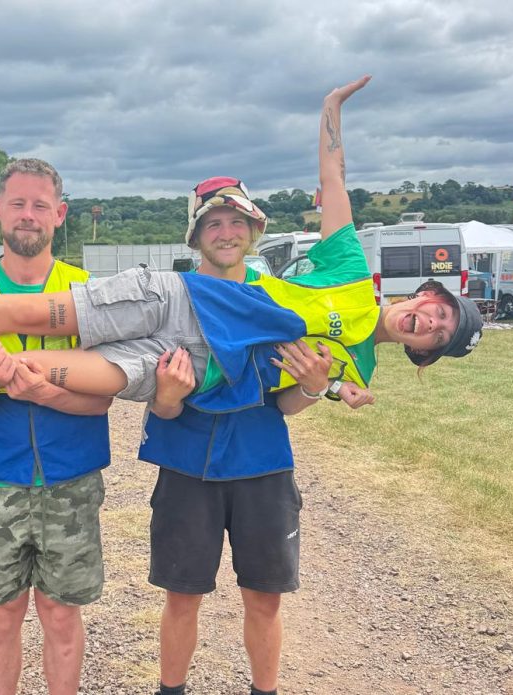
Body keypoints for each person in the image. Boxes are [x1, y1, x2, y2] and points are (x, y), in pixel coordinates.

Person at [0, 75, 483, 414]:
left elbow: (284, 400)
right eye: (438, 310)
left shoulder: (356, 373)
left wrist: (320, 392)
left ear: (425, 355)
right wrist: (332, 110)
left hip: (193, 363)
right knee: (31, 314)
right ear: (424, 294)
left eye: (436, 335)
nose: (427, 322)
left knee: (48, 367)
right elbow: (333, 180)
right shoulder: (351, 269)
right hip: (179, 299)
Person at [141, 176, 372, 695]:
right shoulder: (175, 301)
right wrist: (171, 395)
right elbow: (158, 403)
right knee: (182, 596)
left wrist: (315, 388)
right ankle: (170, 689)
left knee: (265, 599)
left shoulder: (276, 304)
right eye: (214, 224)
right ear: (196, 238)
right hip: (187, 467)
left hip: (263, 468)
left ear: (254, 231)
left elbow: (283, 403)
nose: (226, 233)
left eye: (237, 223)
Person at [0, 159, 112, 695]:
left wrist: (45, 392)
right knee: (2, 617)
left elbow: (103, 400)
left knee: (60, 616)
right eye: (17, 204)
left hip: (72, 480)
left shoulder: (89, 293)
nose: (28, 216)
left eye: (39, 206)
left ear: (59, 214)